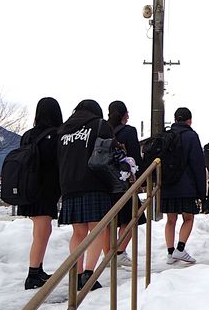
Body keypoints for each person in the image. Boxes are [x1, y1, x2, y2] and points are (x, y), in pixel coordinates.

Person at [58, 100, 115, 291]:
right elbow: (111, 152)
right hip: (94, 182)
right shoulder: (99, 125)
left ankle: (77, 274)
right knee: (97, 229)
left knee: (78, 232)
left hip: (69, 185)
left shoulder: (64, 130)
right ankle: (89, 274)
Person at [19, 97, 63, 290]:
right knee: (42, 231)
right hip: (44, 189)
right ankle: (33, 274)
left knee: (41, 230)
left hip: (28, 188)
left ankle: (37, 270)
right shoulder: (55, 135)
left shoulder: (27, 135)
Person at [161, 107, 206, 264]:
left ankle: (170, 252)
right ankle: (180, 249)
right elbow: (198, 165)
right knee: (188, 218)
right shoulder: (191, 136)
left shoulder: (165, 135)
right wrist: (202, 191)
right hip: (186, 185)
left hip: (167, 185)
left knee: (170, 220)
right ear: (189, 120)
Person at [105, 100, 145, 267]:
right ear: (124, 114)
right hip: (124, 180)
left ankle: (107, 255)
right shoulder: (129, 131)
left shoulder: (103, 130)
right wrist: (141, 177)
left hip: (105, 180)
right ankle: (120, 252)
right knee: (130, 217)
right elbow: (135, 155)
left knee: (109, 220)